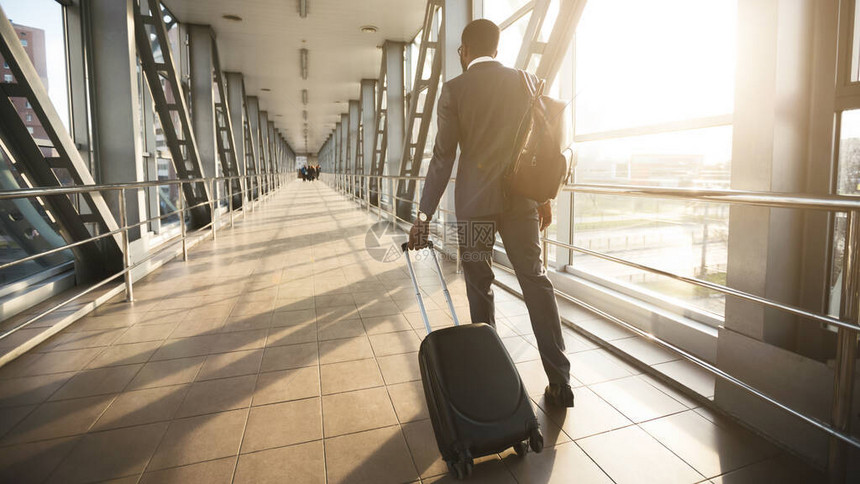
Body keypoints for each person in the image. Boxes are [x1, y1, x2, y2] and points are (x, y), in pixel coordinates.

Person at [406, 19, 573, 408]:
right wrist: (543, 198)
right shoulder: (527, 81)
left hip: (475, 210)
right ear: (497, 50)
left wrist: (424, 214)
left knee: (480, 286)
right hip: (520, 206)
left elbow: (443, 157)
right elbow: (540, 147)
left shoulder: (454, 91)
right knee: (536, 283)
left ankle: (494, 380)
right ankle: (560, 382)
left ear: (464, 51)